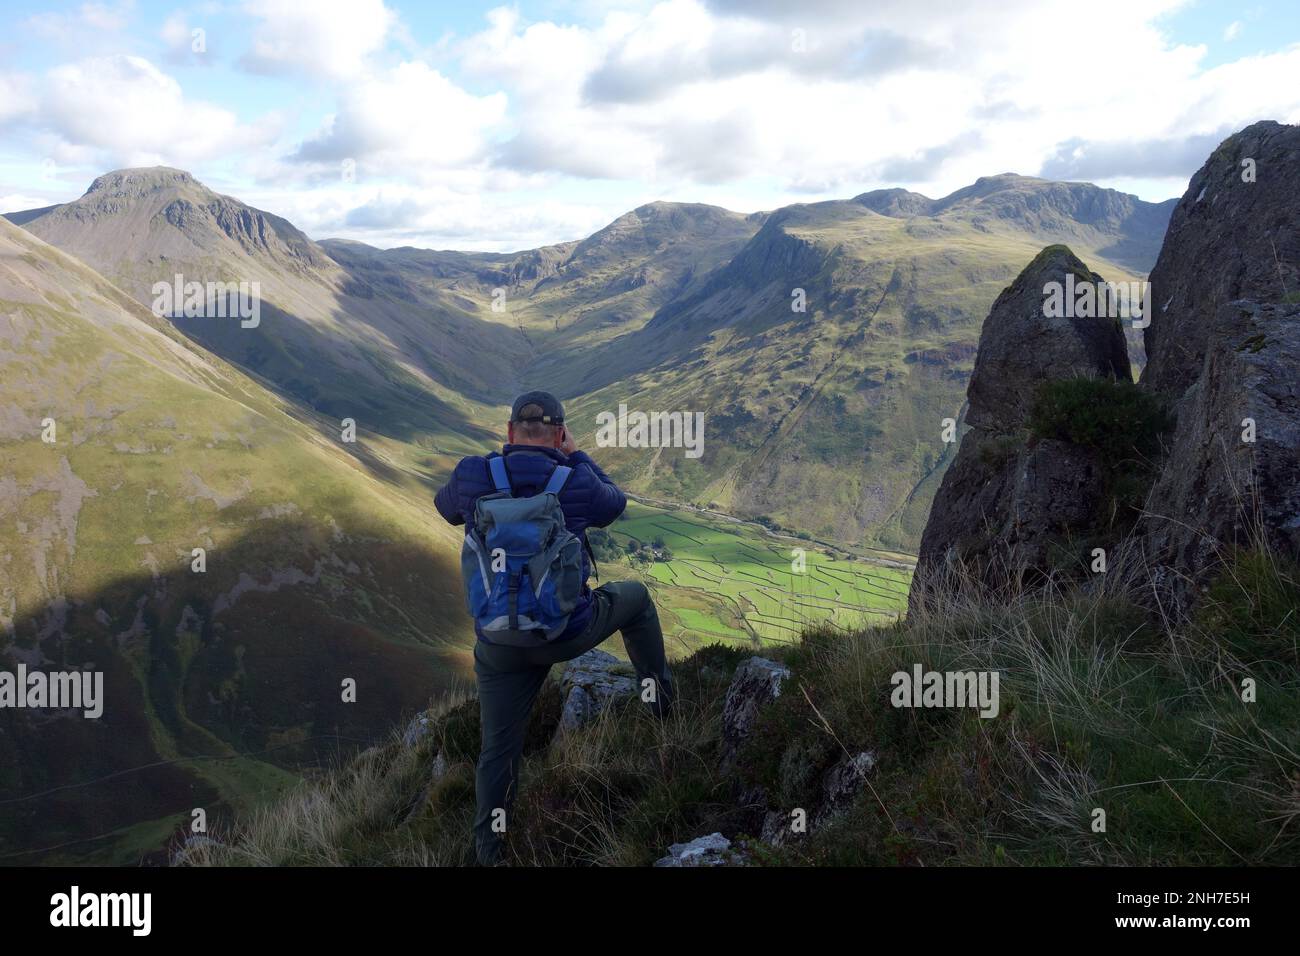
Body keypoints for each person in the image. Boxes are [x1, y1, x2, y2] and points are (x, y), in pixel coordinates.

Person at [434, 389, 675, 865]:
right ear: (560, 433)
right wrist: (577, 455)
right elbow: (614, 504)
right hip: (565, 633)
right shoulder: (576, 480)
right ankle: (662, 706)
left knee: (498, 751)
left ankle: (490, 853)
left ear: (508, 433)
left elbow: (447, 509)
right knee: (638, 600)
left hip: (499, 643)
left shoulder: (472, 474)